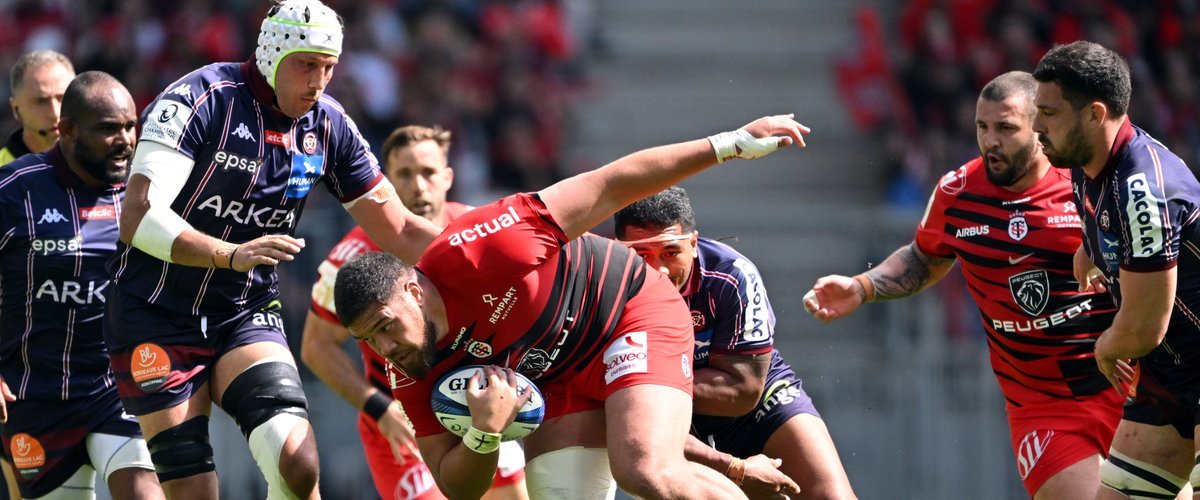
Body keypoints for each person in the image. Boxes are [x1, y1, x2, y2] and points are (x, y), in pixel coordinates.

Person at [332, 114, 808, 499]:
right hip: (556, 377)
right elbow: (453, 484)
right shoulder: (408, 368)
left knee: (642, 470)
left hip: (627, 312)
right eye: (369, 339)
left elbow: (611, 184)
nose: (384, 347)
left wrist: (731, 142)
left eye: (386, 326)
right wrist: (484, 434)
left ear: (414, 292)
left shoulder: (485, 246)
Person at [103, 1, 442, 498]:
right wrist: (230, 254)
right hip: (153, 314)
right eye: (307, 64)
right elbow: (137, 219)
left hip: (242, 313)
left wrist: (492, 249)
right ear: (270, 54)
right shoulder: (201, 98)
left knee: (298, 466)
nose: (319, 81)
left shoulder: (328, 125)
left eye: (329, 67)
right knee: (194, 491)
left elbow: (401, 231)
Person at [803, 71, 1124, 499]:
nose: (990, 140)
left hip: (1125, 385)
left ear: (1040, 126)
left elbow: (1152, 269)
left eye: (1006, 128)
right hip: (1044, 407)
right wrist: (862, 286)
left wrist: (1133, 336)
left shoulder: (1087, 185)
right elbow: (923, 257)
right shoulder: (957, 193)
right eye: (982, 127)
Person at [301, 125, 527, 500]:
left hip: (477, 403)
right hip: (401, 420)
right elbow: (315, 346)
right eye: (404, 175)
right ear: (386, 185)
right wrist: (377, 409)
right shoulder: (353, 259)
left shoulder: (477, 231)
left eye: (428, 173)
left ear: (448, 178)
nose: (418, 187)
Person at [1031, 41, 1200, 499]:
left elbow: (1145, 326)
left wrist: (1107, 347)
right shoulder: (1088, 161)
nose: (1035, 126)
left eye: (1048, 112)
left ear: (1094, 114)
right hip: (1170, 378)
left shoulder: (1142, 188)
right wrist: (1090, 250)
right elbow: (1103, 220)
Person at [614, 186, 855, 499]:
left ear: (693, 243)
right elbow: (631, 417)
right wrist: (734, 468)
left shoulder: (731, 274)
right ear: (618, 251)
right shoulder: (605, 292)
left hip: (756, 403)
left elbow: (743, 390)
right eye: (641, 255)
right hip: (670, 414)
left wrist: (642, 386)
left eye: (671, 253)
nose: (658, 270)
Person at [0, 71, 163, 499]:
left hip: (117, 386)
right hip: (33, 396)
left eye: (130, 126)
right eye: (109, 129)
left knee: (144, 492)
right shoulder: (13, 191)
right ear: (66, 131)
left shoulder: (142, 191)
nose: (126, 139)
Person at [1, 50, 74, 165]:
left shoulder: (102, 164)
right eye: (41, 102)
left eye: (62, 98)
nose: (55, 113)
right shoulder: (4, 175)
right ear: (16, 109)